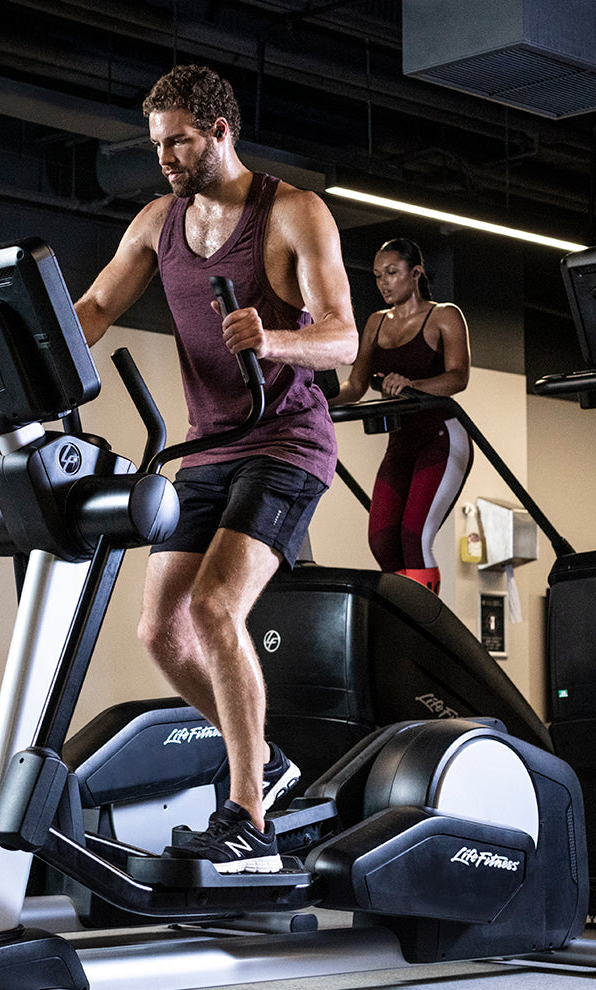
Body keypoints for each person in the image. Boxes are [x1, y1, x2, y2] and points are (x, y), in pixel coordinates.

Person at [73, 64, 358, 873]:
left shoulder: (293, 212)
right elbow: (93, 309)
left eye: (178, 142)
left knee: (213, 609)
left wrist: (272, 340)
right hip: (207, 446)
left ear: (221, 131)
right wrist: (27, 354)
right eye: (156, 143)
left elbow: (344, 337)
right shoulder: (157, 221)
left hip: (285, 440)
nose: (163, 157)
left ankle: (248, 817)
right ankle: (263, 760)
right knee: (160, 631)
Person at [331, 238, 472, 595]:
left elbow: (458, 377)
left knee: (414, 536)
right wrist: (315, 399)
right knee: (381, 540)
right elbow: (356, 386)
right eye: (378, 275)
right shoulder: (376, 323)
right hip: (401, 442)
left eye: (392, 273)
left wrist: (413, 385)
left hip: (442, 437)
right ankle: (401, 619)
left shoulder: (444, 315)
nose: (383, 282)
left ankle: (425, 629)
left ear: (416, 273)